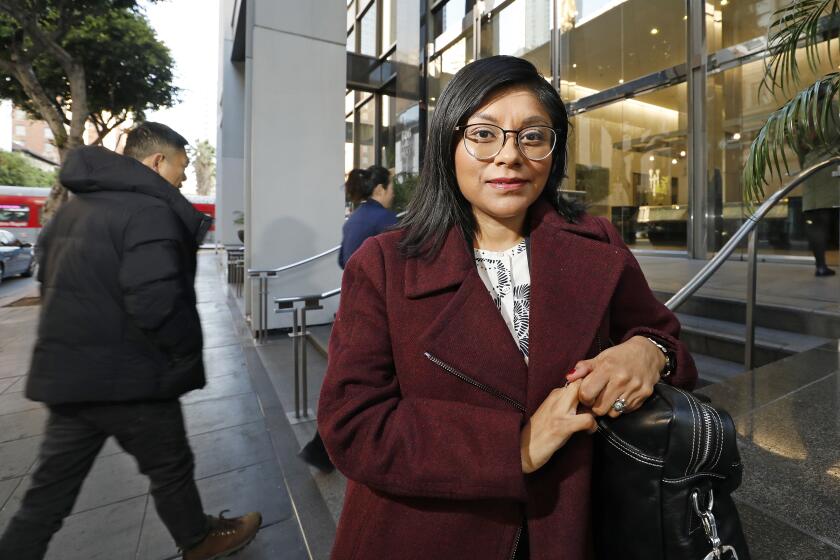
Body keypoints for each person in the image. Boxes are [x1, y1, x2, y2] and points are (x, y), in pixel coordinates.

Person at [317, 56, 698, 560]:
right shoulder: (384, 266)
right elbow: (354, 424)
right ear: (449, 145)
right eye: (483, 134)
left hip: (574, 527)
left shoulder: (596, 245)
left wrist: (648, 352)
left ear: (553, 151)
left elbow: (667, 340)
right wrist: (513, 448)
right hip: (426, 533)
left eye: (532, 136)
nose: (509, 156)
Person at [0, 123, 261, 560]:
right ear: (158, 161)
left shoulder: (75, 208)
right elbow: (158, 300)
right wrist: (183, 352)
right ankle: (199, 541)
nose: (182, 177)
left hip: (70, 377)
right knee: (171, 468)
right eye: (181, 166)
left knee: (46, 499)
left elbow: (49, 280)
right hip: (130, 377)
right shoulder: (148, 212)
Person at [299, 165, 398, 472]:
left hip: (353, 306)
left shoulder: (354, 218)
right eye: (391, 186)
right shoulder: (386, 221)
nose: (393, 193)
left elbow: (344, 259)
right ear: (380, 190)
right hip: (382, 309)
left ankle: (322, 449)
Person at [800, 149, 839, 276]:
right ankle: (821, 266)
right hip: (829, 173)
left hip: (811, 176)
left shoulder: (802, 133)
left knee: (817, 226)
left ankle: (820, 266)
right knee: (822, 224)